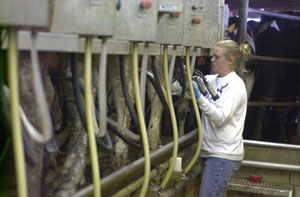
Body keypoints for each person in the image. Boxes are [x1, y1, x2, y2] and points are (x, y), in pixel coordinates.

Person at [192, 40, 251, 197]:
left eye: (216, 57)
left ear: (230, 60)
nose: (211, 60)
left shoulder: (235, 86)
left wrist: (199, 98)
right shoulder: (210, 80)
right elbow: (185, 90)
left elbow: (220, 118)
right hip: (210, 152)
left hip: (223, 155)